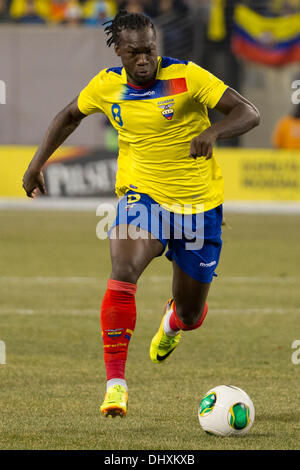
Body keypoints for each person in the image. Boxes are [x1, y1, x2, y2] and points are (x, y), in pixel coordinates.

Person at [22, 9, 260, 418]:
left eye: (150, 50)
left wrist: (213, 132)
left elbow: (248, 112)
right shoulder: (106, 86)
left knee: (190, 313)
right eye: (135, 53)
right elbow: (68, 116)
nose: (145, 59)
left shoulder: (189, 77)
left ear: (157, 45)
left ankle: (171, 324)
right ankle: (116, 385)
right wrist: (36, 164)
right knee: (123, 269)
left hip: (197, 206)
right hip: (142, 196)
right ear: (118, 51)